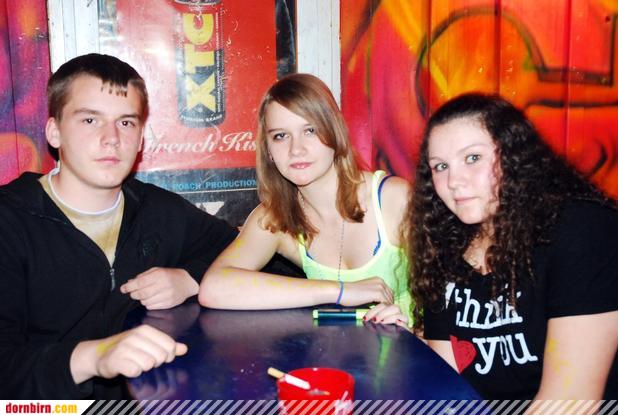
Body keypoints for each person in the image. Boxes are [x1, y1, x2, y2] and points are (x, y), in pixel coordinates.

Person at [0, 53, 239, 398]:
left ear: (141, 139)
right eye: (89, 120)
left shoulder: (160, 209)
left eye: (126, 122)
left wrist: (191, 278)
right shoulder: (10, 221)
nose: (111, 138)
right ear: (54, 132)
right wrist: (95, 357)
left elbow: (248, 253)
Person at [406, 92, 618, 399]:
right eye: (440, 167)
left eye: (472, 158)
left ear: (514, 157)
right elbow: (448, 384)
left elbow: (570, 403)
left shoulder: (582, 231)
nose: (454, 181)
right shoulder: (445, 247)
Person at [199, 73, 412, 324]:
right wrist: (338, 291)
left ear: (334, 132)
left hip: (417, 346)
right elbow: (214, 288)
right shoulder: (277, 217)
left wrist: (413, 330)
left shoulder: (395, 199)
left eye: (310, 130)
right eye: (280, 136)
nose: (296, 149)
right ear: (268, 150)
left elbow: (446, 299)